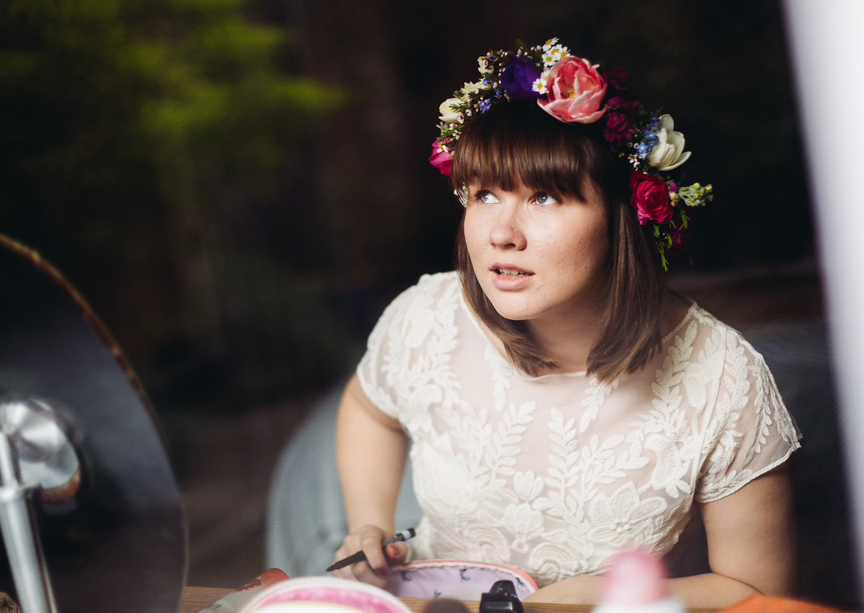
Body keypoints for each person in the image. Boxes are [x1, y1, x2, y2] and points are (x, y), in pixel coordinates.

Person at [331, 38, 801, 608]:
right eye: (484, 193)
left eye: (545, 198)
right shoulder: (426, 316)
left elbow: (758, 592)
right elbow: (367, 408)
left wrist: (590, 598)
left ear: (622, 216)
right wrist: (368, 526)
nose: (502, 232)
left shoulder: (723, 378)